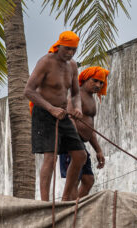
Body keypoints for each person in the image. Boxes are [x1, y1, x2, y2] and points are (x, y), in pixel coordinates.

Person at [24, 31, 87, 201]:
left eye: (74, 50)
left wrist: (77, 108)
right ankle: (45, 202)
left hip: (63, 114)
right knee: (50, 157)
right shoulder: (45, 62)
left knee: (81, 155)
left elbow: (75, 94)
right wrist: (51, 108)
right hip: (44, 112)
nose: (70, 53)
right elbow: (28, 91)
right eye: (67, 49)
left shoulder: (73, 65)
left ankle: (66, 197)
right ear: (59, 46)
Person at [58, 66, 109, 197]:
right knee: (74, 181)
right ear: (86, 79)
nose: (98, 85)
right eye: (95, 81)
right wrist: (74, 143)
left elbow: (90, 128)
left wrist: (98, 150)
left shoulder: (92, 100)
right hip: (71, 143)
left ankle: (76, 207)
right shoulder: (76, 96)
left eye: (101, 82)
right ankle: (70, 208)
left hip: (81, 144)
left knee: (88, 180)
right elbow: (69, 119)